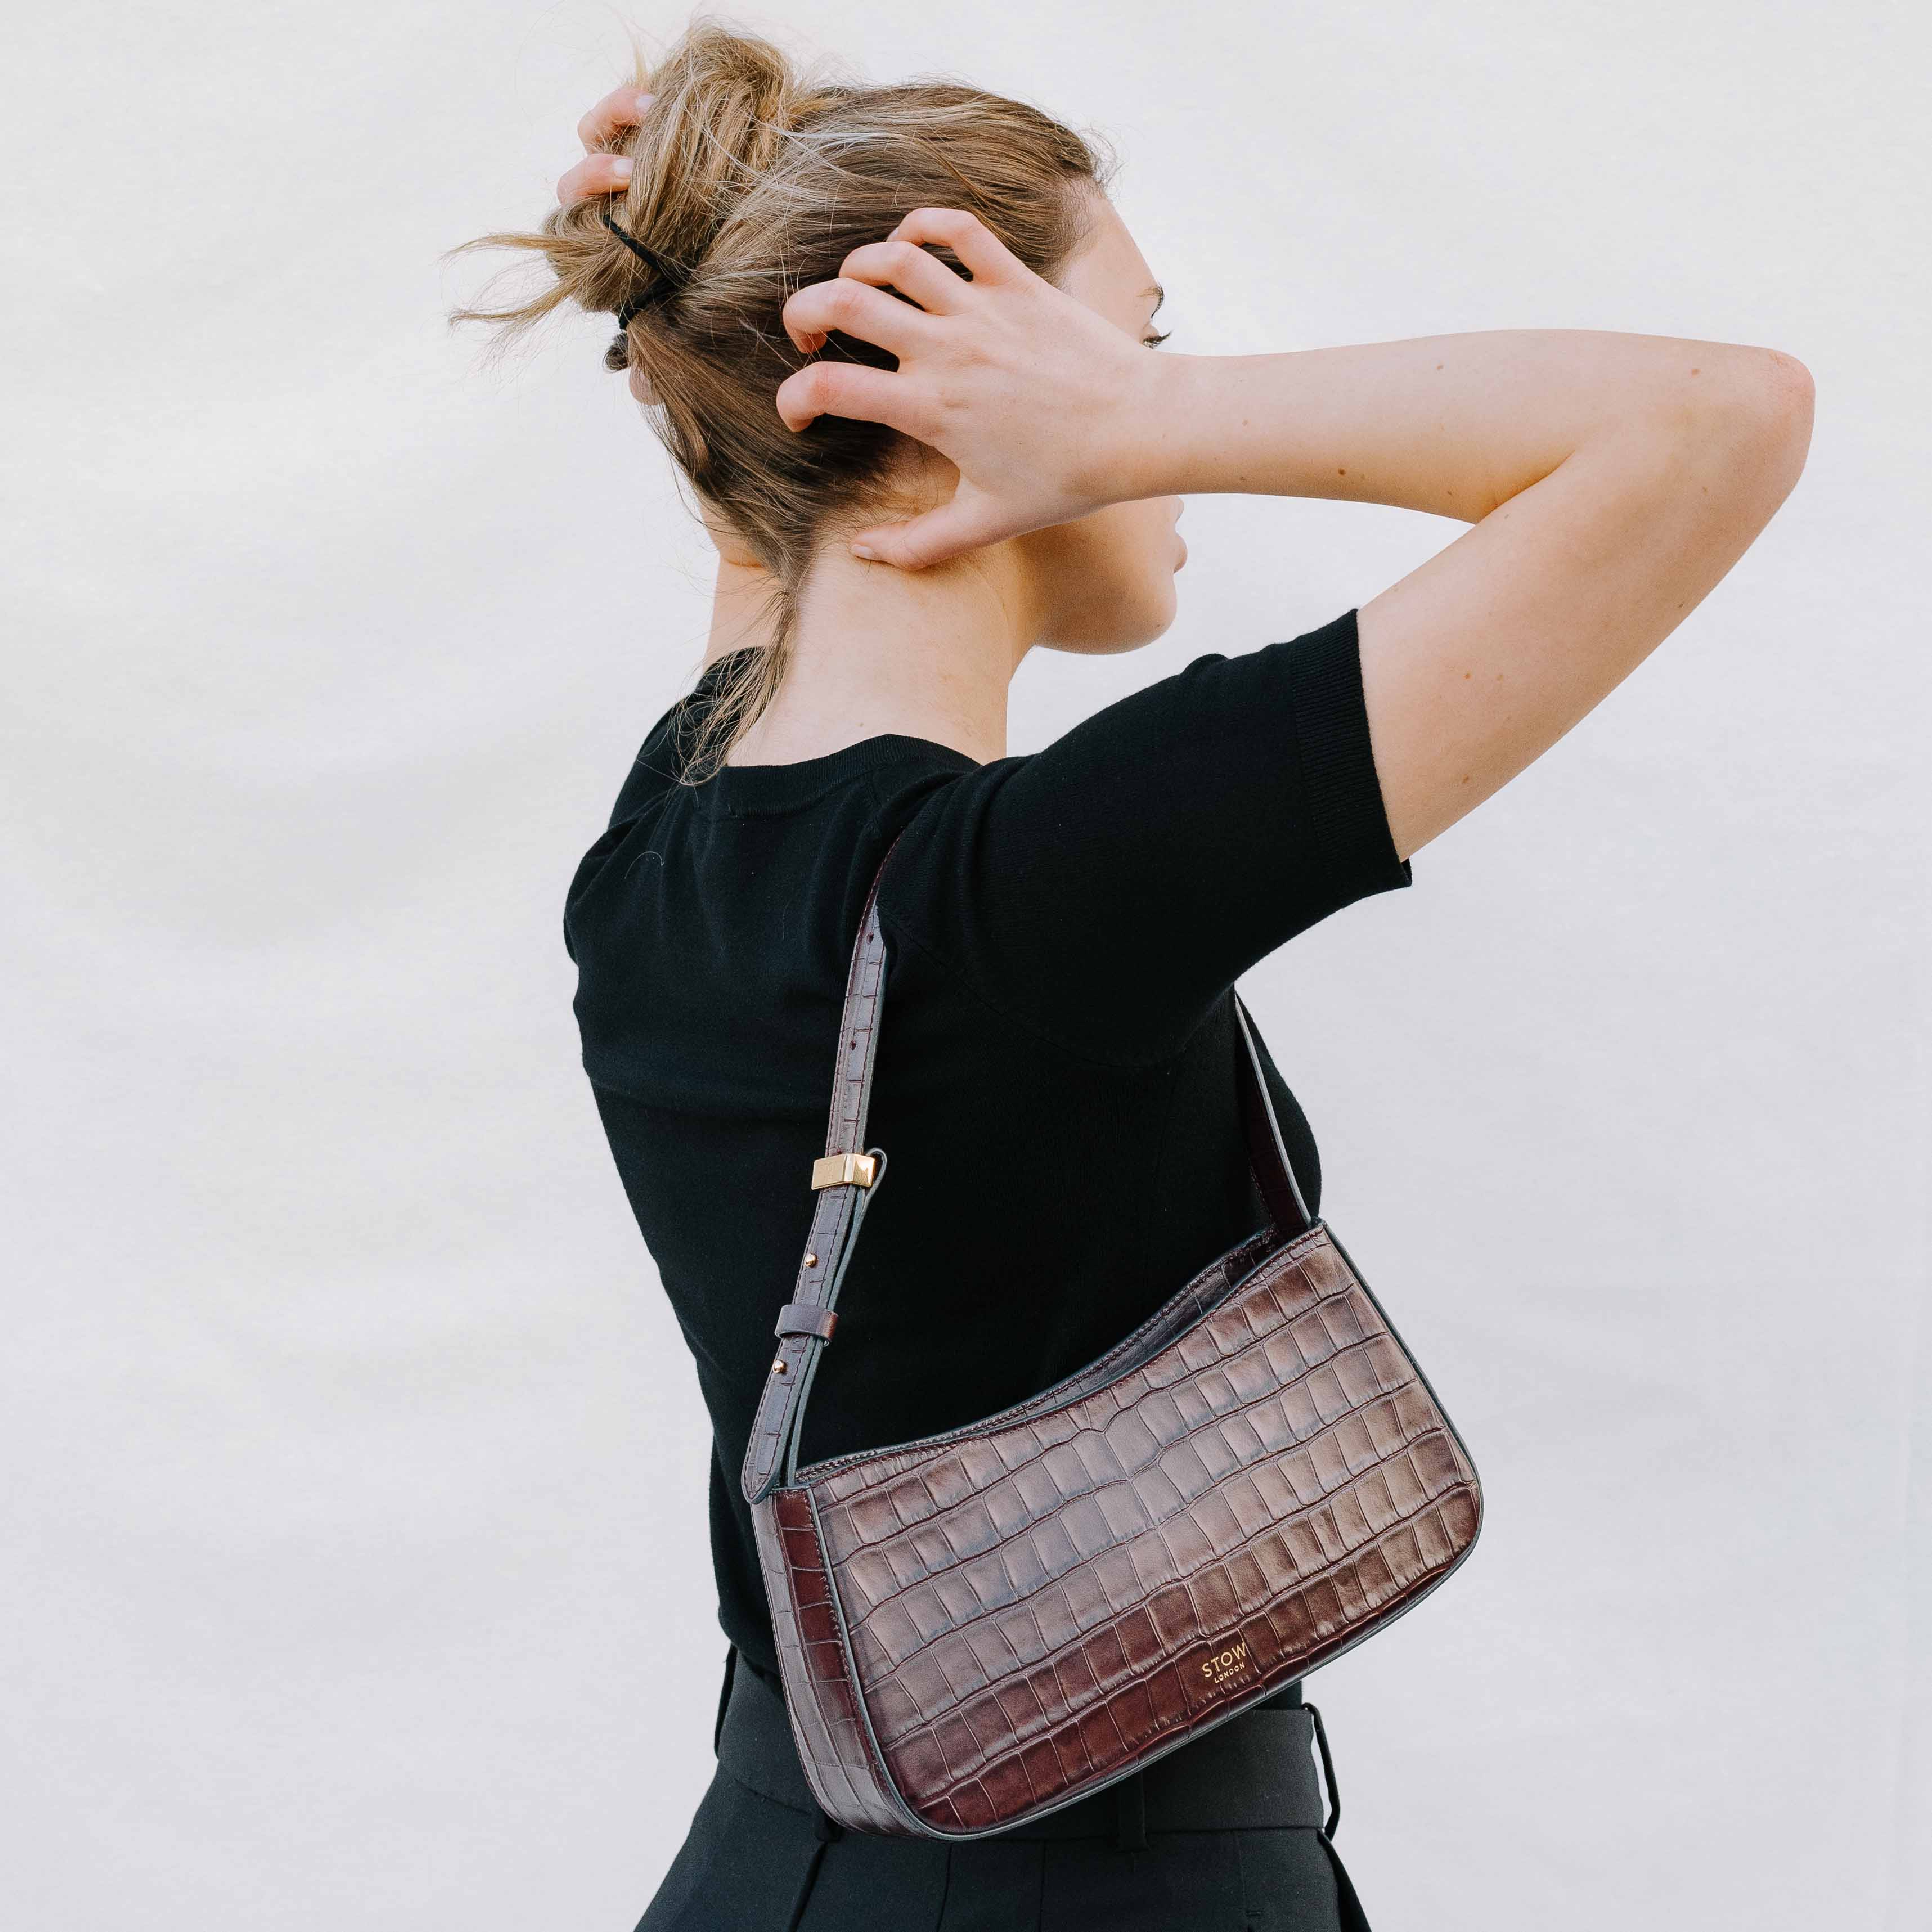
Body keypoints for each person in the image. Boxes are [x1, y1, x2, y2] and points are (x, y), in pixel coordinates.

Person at [453, 21, 1812, 1930]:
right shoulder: (1040, 891)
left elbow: (776, 525)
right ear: (947, 398)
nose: (1151, 409)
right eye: (1129, 338)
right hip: (1093, 1885)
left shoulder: (660, 838)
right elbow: (1721, 417)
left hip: (767, 1865)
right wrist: (1127, 428)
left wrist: (701, 262)